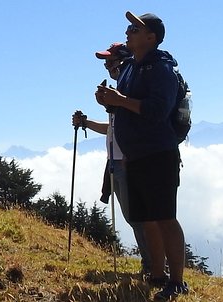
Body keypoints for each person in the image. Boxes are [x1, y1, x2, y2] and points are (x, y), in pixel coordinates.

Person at [96, 12, 188, 300]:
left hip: (158, 153)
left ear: (151, 37)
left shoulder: (161, 70)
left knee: (164, 217)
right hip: (135, 154)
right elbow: (123, 107)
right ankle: (157, 275)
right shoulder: (130, 69)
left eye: (135, 29)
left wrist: (118, 100)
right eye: (128, 28)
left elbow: (157, 110)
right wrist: (109, 101)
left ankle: (177, 282)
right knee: (146, 218)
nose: (128, 32)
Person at [71, 42, 152, 275]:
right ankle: (152, 265)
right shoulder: (121, 92)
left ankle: (153, 267)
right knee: (133, 217)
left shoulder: (128, 92)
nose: (107, 67)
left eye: (111, 62)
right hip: (117, 162)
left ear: (124, 61)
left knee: (138, 217)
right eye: (106, 63)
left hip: (127, 162)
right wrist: (85, 123)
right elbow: (113, 128)